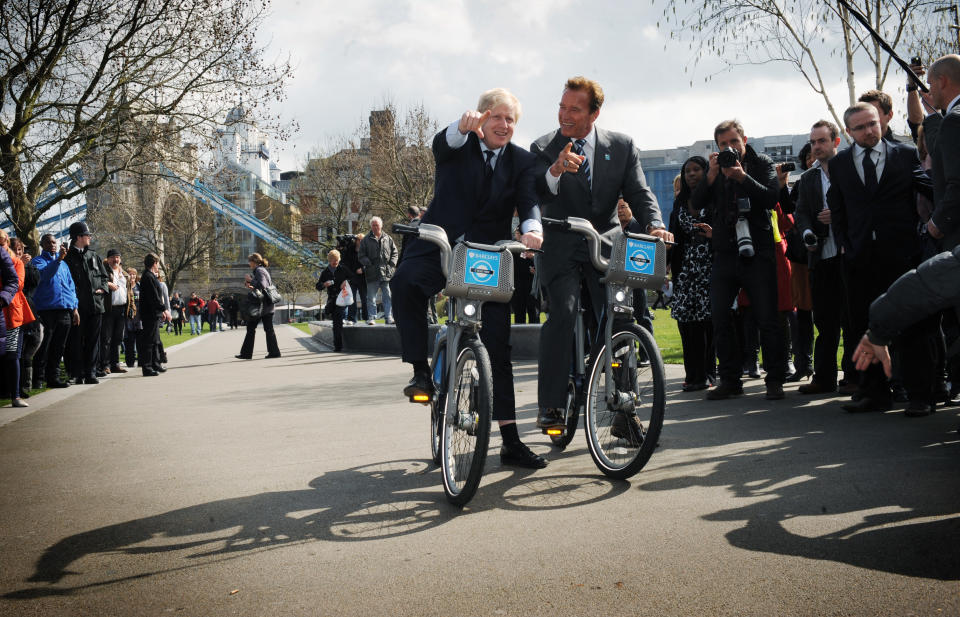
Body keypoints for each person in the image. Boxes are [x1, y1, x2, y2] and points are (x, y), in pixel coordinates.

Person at [390, 87, 546, 469]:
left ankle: (510, 439)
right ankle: (421, 372)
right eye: (497, 117)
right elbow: (442, 144)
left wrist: (531, 229)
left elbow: (528, 201)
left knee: (498, 345)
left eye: (511, 119)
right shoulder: (460, 144)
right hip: (439, 243)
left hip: (484, 254)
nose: (504, 125)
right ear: (481, 118)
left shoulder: (522, 161)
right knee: (405, 283)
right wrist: (460, 128)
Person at [531, 76, 671, 430]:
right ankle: (551, 406)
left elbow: (640, 192)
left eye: (574, 109)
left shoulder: (621, 146)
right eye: (562, 107)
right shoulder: (544, 146)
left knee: (621, 320)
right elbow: (534, 194)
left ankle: (624, 412)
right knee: (561, 314)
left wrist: (654, 224)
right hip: (561, 243)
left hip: (605, 244)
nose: (565, 115)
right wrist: (555, 170)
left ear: (594, 113)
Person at [828, 102, 936, 416]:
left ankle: (920, 396)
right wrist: (845, 242)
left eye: (873, 124)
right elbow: (838, 207)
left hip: (902, 255)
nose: (869, 131)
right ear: (849, 132)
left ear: (882, 122)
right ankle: (874, 393)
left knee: (913, 326)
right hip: (860, 258)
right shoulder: (841, 164)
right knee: (865, 325)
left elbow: (928, 188)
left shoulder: (903, 155)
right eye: (860, 127)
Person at [692, 119, 786, 401]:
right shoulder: (716, 170)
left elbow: (771, 198)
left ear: (744, 139)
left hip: (758, 250)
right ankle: (730, 380)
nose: (729, 148)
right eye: (723, 145)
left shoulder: (762, 162)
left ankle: (775, 380)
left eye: (734, 142)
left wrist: (742, 177)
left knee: (767, 317)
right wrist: (711, 175)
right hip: (724, 251)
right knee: (720, 316)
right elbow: (696, 204)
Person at [792, 120, 854, 395]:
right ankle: (824, 377)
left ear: (835, 142)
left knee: (852, 320)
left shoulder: (851, 169)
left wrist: (838, 216)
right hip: (821, 257)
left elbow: (864, 207)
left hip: (850, 254)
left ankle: (853, 376)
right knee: (825, 322)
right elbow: (802, 212)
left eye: (822, 141)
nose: (816, 147)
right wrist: (807, 232)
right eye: (813, 142)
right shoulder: (808, 178)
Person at [669, 156, 716, 392]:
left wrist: (713, 235)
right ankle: (693, 375)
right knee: (688, 327)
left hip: (710, 269)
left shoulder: (716, 197)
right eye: (687, 171)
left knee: (709, 325)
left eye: (697, 169)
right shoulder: (679, 204)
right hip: (685, 273)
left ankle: (709, 374)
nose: (691, 174)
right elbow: (672, 237)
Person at [63, 221, 109, 384]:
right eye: (86, 235)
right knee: (75, 341)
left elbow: (104, 277)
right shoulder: (67, 258)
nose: (89, 237)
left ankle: (91, 373)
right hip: (77, 307)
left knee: (93, 340)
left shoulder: (94, 256)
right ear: (78, 237)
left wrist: (103, 289)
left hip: (96, 306)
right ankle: (77, 373)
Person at [31, 233, 79, 388]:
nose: (52, 245)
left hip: (64, 310)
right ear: (42, 245)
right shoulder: (37, 261)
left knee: (59, 347)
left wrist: (75, 307)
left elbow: (70, 287)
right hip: (47, 310)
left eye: (54, 242)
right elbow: (44, 276)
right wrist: (58, 260)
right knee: (45, 346)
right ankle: (38, 378)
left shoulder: (64, 264)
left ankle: (54, 377)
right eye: (49, 242)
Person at [0, 231, 35, 407]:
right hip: (9, 311)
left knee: (12, 353)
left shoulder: (16, 263)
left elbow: (18, 284)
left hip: (12, 313)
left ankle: (15, 394)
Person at [236, 253, 281, 359]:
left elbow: (263, 285)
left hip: (262, 307)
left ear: (254, 262)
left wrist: (251, 280)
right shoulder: (262, 270)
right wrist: (251, 286)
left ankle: (247, 353)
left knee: (252, 328)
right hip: (266, 306)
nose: (248, 264)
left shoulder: (259, 271)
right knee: (267, 329)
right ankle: (274, 352)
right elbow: (260, 287)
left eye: (249, 261)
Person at [13, 239, 42, 397]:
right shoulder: (10, 264)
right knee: (17, 350)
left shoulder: (29, 265)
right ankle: (18, 387)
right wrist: (19, 265)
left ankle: (26, 384)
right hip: (14, 310)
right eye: (16, 249)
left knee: (33, 343)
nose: (19, 253)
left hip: (29, 309)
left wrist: (26, 266)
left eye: (21, 249)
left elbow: (35, 280)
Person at [358, 216, 398, 325]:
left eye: (377, 225)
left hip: (386, 273)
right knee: (371, 297)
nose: (375, 227)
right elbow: (361, 255)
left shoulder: (388, 238)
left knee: (388, 296)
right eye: (373, 225)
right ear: (371, 226)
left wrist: (391, 265)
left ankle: (389, 317)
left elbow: (395, 253)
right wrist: (368, 263)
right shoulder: (366, 240)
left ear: (381, 225)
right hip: (372, 274)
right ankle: (371, 317)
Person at [137, 253, 168, 376]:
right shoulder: (148, 276)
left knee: (155, 340)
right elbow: (154, 297)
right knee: (149, 341)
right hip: (149, 314)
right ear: (154, 263)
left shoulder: (150, 276)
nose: (158, 266)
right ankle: (147, 367)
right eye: (158, 263)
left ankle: (155, 363)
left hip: (154, 313)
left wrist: (161, 311)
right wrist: (164, 309)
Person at [100, 248, 128, 374]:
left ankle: (115, 364)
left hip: (122, 309)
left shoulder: (123, 273)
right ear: (108, 259)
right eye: (113, 257)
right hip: (109, 309)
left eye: (118, 257)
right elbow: (99, 282)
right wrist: (108, 284)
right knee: (106, 338)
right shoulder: (104, 271)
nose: (116, 259)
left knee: (118, 339)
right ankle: (105, 365)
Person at [318, 249, 350, 352]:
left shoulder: (343, 269)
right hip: (332, 299)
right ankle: (338, 345)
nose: (335, 262)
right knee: (336, 322)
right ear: (329, 260)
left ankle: (338, 346)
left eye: (336, 260)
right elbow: (318, 286)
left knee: (338, 321)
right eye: (333, 260)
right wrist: (324, 284)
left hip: (342, 298)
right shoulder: (325, 272)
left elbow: (354, 278)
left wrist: (346, 281)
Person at [510, 228, 539, 324]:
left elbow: (537, 260)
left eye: (518, 233)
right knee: (519, 309)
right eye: (516, 233)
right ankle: (519, 331)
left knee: (532, 308)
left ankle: (534, 331)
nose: (517, 235)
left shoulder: (530, 246)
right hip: (517, 282)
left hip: (530, 282)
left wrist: (535, 266)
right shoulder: (511, 246)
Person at [124, 267, 139, 368]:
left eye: (134, 274)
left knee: (139, 341)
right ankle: (130, 361)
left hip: (138, 318)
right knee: (129, 341)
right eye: (130, 274)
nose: (132, 276)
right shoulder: (125, 287)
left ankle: (141, 360)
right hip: (128, 318)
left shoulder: (139, 287)